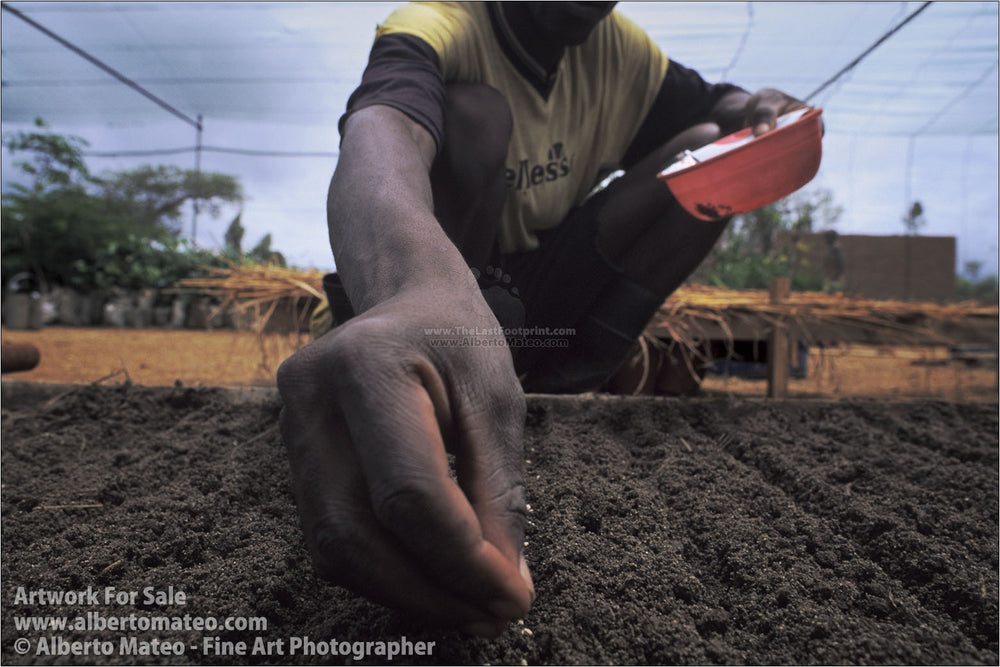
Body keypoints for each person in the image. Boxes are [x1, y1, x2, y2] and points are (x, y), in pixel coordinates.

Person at [277, 1, 804, 636]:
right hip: (453, 283)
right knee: (477, 115)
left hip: (544, 293)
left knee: (708, 150)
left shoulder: (620, 51)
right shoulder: (439, 23)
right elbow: (381, 130)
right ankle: (456, 356)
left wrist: (757, 108)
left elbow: (714, 108)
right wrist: (413, 286)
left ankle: (564, 368)